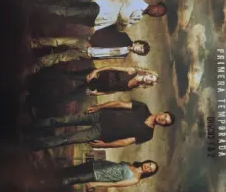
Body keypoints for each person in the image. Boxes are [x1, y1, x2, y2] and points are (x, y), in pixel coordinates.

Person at [27, 101, 174, 150]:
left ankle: (33, 144)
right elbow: (119, 104)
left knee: (68, 139)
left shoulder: (148, 134)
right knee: (64, 120)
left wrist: (105, 145)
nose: (163, 119)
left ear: (163, 126)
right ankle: (32, 126)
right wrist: (99, 107)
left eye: (165, 122)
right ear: (162, 112)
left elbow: (125, 142)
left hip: (101, 133)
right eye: (165, 116)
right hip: (99, 115)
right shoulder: (142, 107)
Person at [27, 67, 159, 112]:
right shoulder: (132, 70)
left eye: (151, 81)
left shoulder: (133, 87)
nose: (149, 79)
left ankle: (33, 101)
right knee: (66, 77)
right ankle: (35, 79)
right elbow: (112, 67)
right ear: (148, 73)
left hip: (94, 88)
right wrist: (95, 71)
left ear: (149, 84)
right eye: (151, 77)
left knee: (66, 99)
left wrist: (96, 93)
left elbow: (111, 91)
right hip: (95, 76)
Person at [33, 0, 166, 33]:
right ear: (155, 4)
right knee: (66, 12)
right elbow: (123, 15)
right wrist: (123, 22)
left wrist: (122, 23)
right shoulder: (137, 1)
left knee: (68, 19)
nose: (155, 13)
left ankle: (40, 14)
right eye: (157, 10)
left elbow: (119, 29)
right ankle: (36, 6)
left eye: (158, 15)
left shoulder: (138, 18)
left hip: (97, 21)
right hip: (99, 9)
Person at [31, 35, 150, 67]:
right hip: (87, 43)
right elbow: (105, 33)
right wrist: (92, 41)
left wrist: (91, 58)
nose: (138, 49)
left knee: (62, 58)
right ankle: (36, 43)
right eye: (140, 47)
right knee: (60, 41)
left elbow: (105, 56)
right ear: (138, 43)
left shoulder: (124, 55)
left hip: (88, 54)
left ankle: (40, 63)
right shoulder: (124, 37)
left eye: (140, 51)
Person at [57, 159, 158, 191]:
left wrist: (96, 184)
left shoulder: (135, 179)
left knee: (73, 179)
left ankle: (52, 185)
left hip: (98, 176)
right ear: (147, 161)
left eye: (150, 169)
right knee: (73, 169)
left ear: (149, 173)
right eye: (149, 164)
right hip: (98, 164)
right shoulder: (131, 164)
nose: (148, 167)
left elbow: (116, 184)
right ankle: (54, 174)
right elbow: (116, 165)